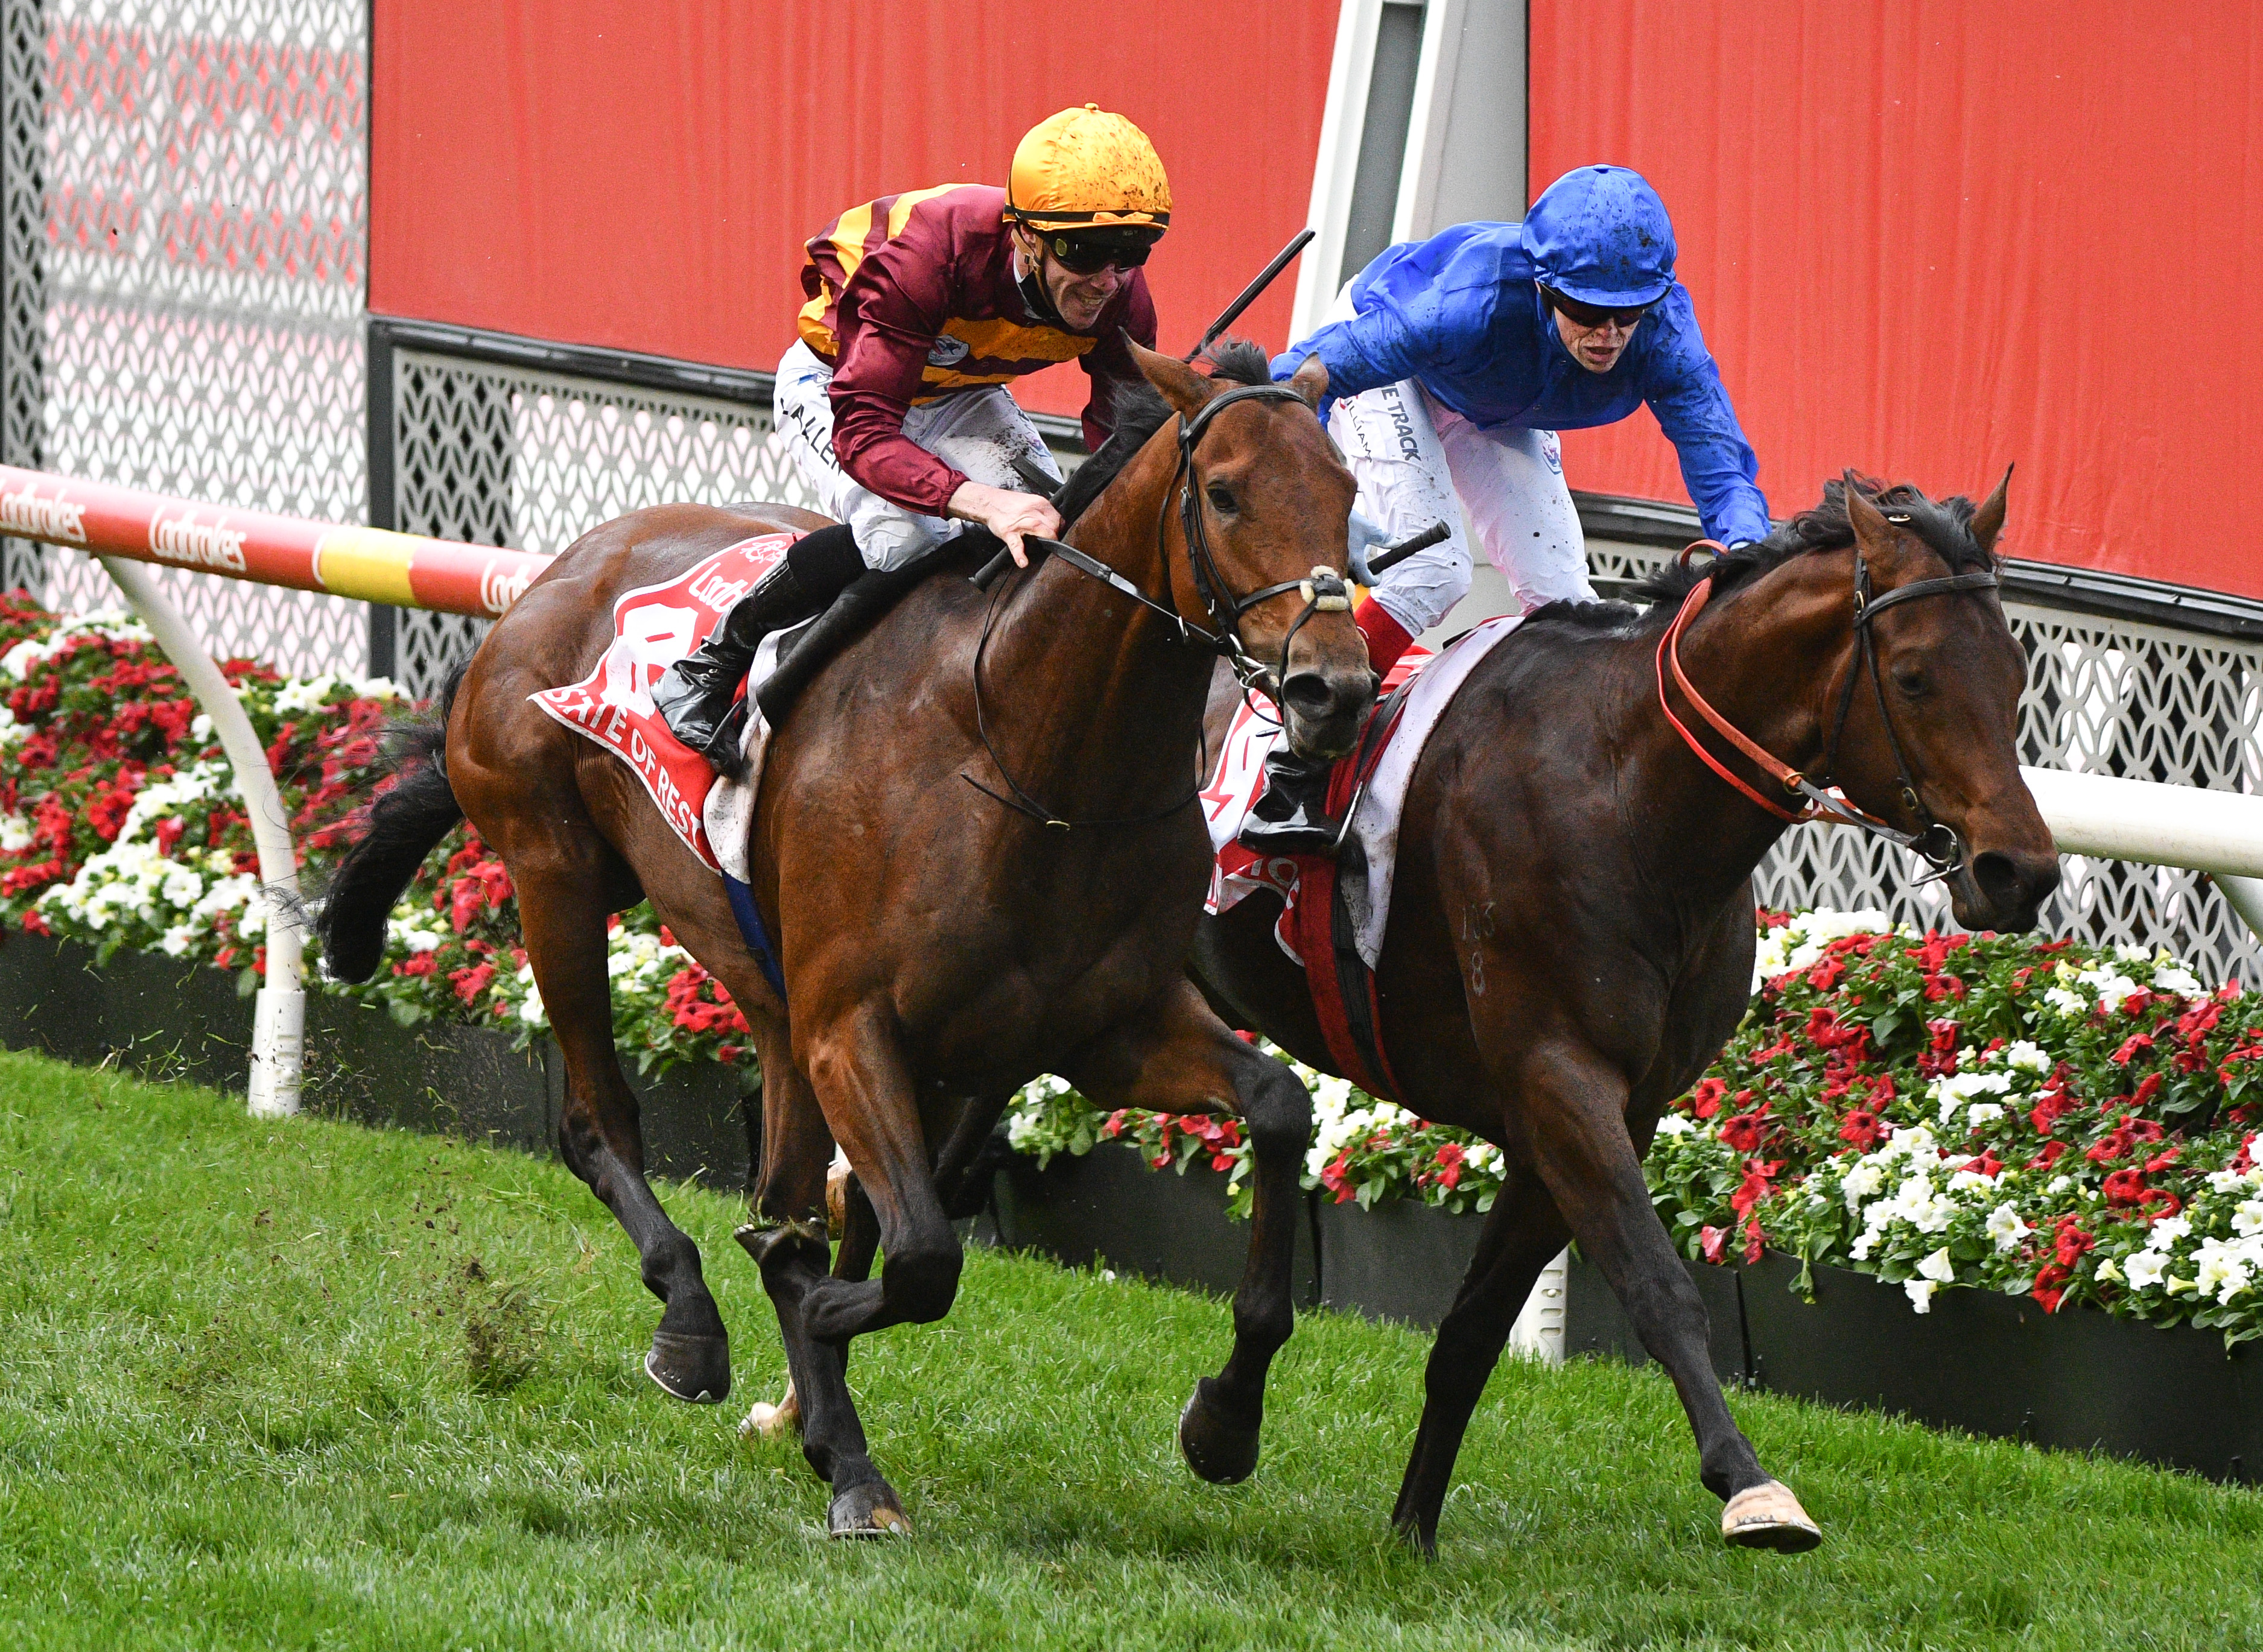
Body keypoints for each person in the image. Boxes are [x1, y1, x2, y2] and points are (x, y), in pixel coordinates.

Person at [1242, 163, 1771, 852]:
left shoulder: (1666, 336)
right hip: (1400, 370)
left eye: (1628, 313)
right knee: (1432, 571)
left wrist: (1747, 560)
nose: (1610, 334)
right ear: (1545, 287)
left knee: (1567, 606)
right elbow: (1293, 382)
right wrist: (1323, 503)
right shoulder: (1468, 304)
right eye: (1585, 311)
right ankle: (1297, 767)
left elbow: (1722, 467)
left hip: (1494, 402)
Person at [653, 104, 1173, 765]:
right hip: (842, 386)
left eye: (1132, 254)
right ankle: (712, 667)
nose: (1108, 280)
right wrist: (982, 501)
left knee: (1056, 529)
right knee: (902, 539)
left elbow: (1121, 438)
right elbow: (867, 434)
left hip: (959, 394)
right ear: (1027, 238)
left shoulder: (1120, 292)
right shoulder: (931, 252)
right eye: (1087, 253)